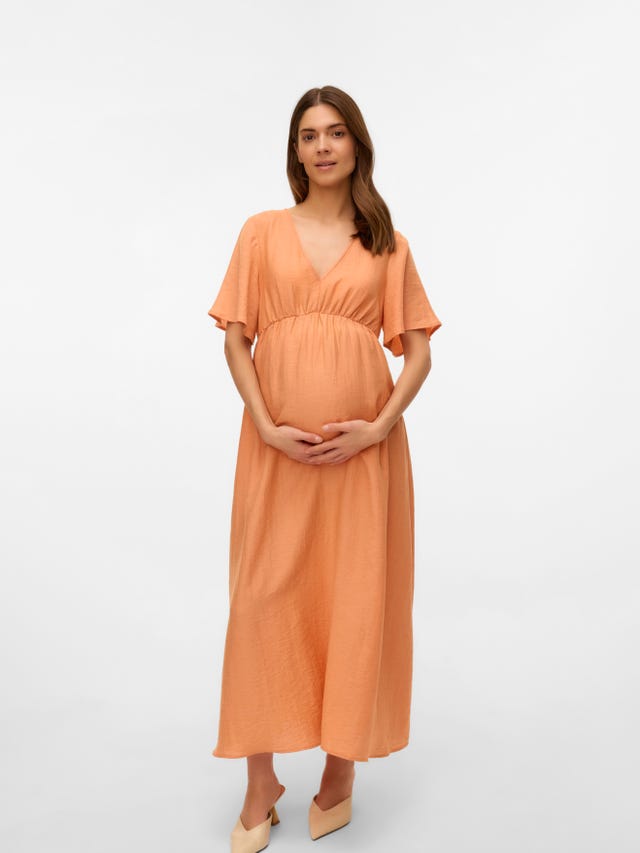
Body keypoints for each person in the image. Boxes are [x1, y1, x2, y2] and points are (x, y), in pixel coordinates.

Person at [207, 84, 442, 852]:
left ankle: (339, 775)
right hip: (274, 452)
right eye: (309, 134)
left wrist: (378, 425)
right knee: (261, 599)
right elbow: (235, 338)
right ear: (296, 150)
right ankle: (261, 782)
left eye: (335, 132)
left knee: (354, 600)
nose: (322, 145)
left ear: (356, 144)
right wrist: (265, 425)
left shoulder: (386, 243)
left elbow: (418, 351)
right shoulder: (260, 232)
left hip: (363, 458)